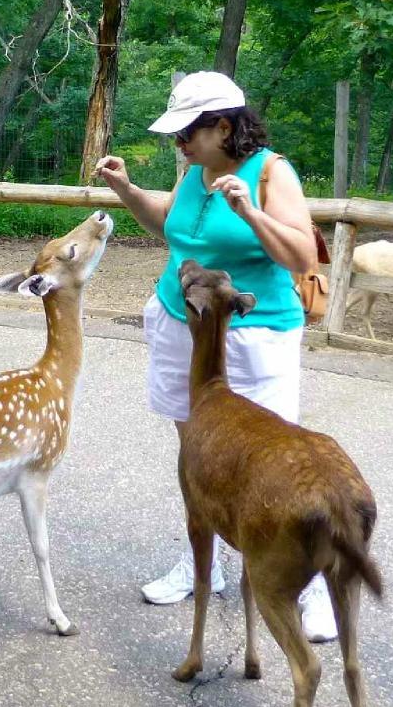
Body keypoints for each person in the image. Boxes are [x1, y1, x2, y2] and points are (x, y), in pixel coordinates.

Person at [95, 70, 337, 642]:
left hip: (255, 336)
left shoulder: (271, 173)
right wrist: (128, 191)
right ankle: (204, 563)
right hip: (183, 325)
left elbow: (302, 255)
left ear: (224, 127)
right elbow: (173, 228)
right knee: (198, 457)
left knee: (279, 461)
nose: (178, 144)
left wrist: (252, 211)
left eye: (187, 134)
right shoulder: (196, 173)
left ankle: (314, 585)